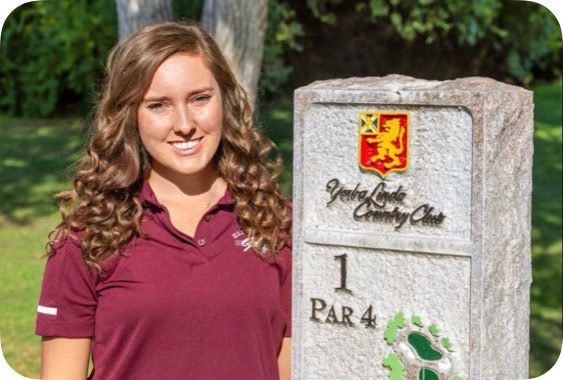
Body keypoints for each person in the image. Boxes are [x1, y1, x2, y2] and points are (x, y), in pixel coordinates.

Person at [35, 21, 292, 380]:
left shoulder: (277, 223)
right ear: (130, 116)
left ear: (226, 100)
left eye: (200, 98)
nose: (185, 123)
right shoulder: (87, 238)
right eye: (159, 105)